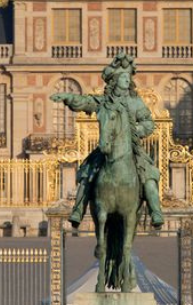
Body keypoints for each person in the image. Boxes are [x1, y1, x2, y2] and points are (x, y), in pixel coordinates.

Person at [51, 52, 164, 229]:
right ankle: (78, 210)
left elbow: (149, 124)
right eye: (123, 77)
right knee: (87, 174)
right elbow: (85, 102)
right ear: (115, 80)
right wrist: (68, 97)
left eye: (128, 77)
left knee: (149, 176)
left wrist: (135, 131)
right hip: (106, 147)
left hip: (131, 148)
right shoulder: (105, 101)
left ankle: (155, 211)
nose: (127, 80)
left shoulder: (136, 102)